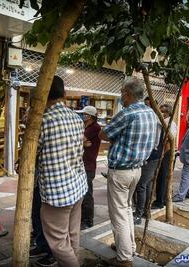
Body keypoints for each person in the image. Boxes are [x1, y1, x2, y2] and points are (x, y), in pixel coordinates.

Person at [99, 77, 158, 267]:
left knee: (119, 215)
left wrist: (116, 140)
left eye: (122, 92)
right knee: (126, 210)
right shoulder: (150, 113)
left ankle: (124, 258)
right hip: (137, 170)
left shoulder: (127, 113)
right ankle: (129, 247)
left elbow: (103, 134)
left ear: (129, 94)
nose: (121, 96)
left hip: (121, 172)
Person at [37, 76, 87, 267]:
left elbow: (31, 155)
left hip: (57, 194)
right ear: (64, 95)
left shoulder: (42, 121)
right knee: (72, 234)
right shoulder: (77, 117)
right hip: (78, 186)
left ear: (42, 95)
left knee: (58, 242)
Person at [133, 104, 161, 224]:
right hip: (150, 156)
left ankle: (139, 214)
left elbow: (154, 143)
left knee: (141, 185)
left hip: (151, 157)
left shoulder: (154, 121)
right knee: (147, 185)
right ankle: (145, 211)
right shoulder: (152, 119)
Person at [77, 105, 101, 230]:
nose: (82, 116)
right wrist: (82, 143)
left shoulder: (94, 127)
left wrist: (82, 142)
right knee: (82, 192)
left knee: (87, 193)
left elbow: (78, 139)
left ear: (90, 116)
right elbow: (79, 140)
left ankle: (88, 220)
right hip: (83, 163)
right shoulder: (85, 126)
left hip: (89, 164)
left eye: (84, 114)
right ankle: (83, 218)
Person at [151, 104, 177, 209]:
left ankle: (160, 201)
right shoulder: (166, 122)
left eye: (162, 111)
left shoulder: (168, 123)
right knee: (163, 177)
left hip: (166, 153)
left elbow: (169, 140)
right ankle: (164, 199)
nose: (160, 113)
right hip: (165, 152)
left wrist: (162, 153)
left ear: (167, 113)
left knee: (162, 177)